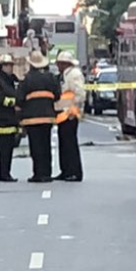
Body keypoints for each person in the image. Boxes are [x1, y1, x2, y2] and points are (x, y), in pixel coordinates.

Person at [19, 51, 61, 183]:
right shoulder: (51, 77)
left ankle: (38, 174)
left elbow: (19, 98)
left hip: (32, 119)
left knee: (36, 147)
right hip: (47, 118)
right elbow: (58, 95)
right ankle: (47, 174)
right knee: (46, 146)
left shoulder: (27, 79)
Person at [0, 54, 22, 182]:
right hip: (0, 121)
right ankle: (3, 174)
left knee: (9, 150)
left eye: (11, 65)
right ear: (1, 67)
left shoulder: (12, 80)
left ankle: (6, 173)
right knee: (3, 150)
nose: (10, 68)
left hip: (11, 120)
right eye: (8, 65)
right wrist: (15, 103)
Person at [54, 50, 86, 181]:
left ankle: (74, 172)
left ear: (65, 64)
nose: (58, 66)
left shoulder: (74, 75)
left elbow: (79, 94)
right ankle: (65, 170)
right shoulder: (64, 75)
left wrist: (74, 110)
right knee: (64, 143)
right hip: (63, 112)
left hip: (70, 113)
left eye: (59, 64)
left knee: (70, 143)